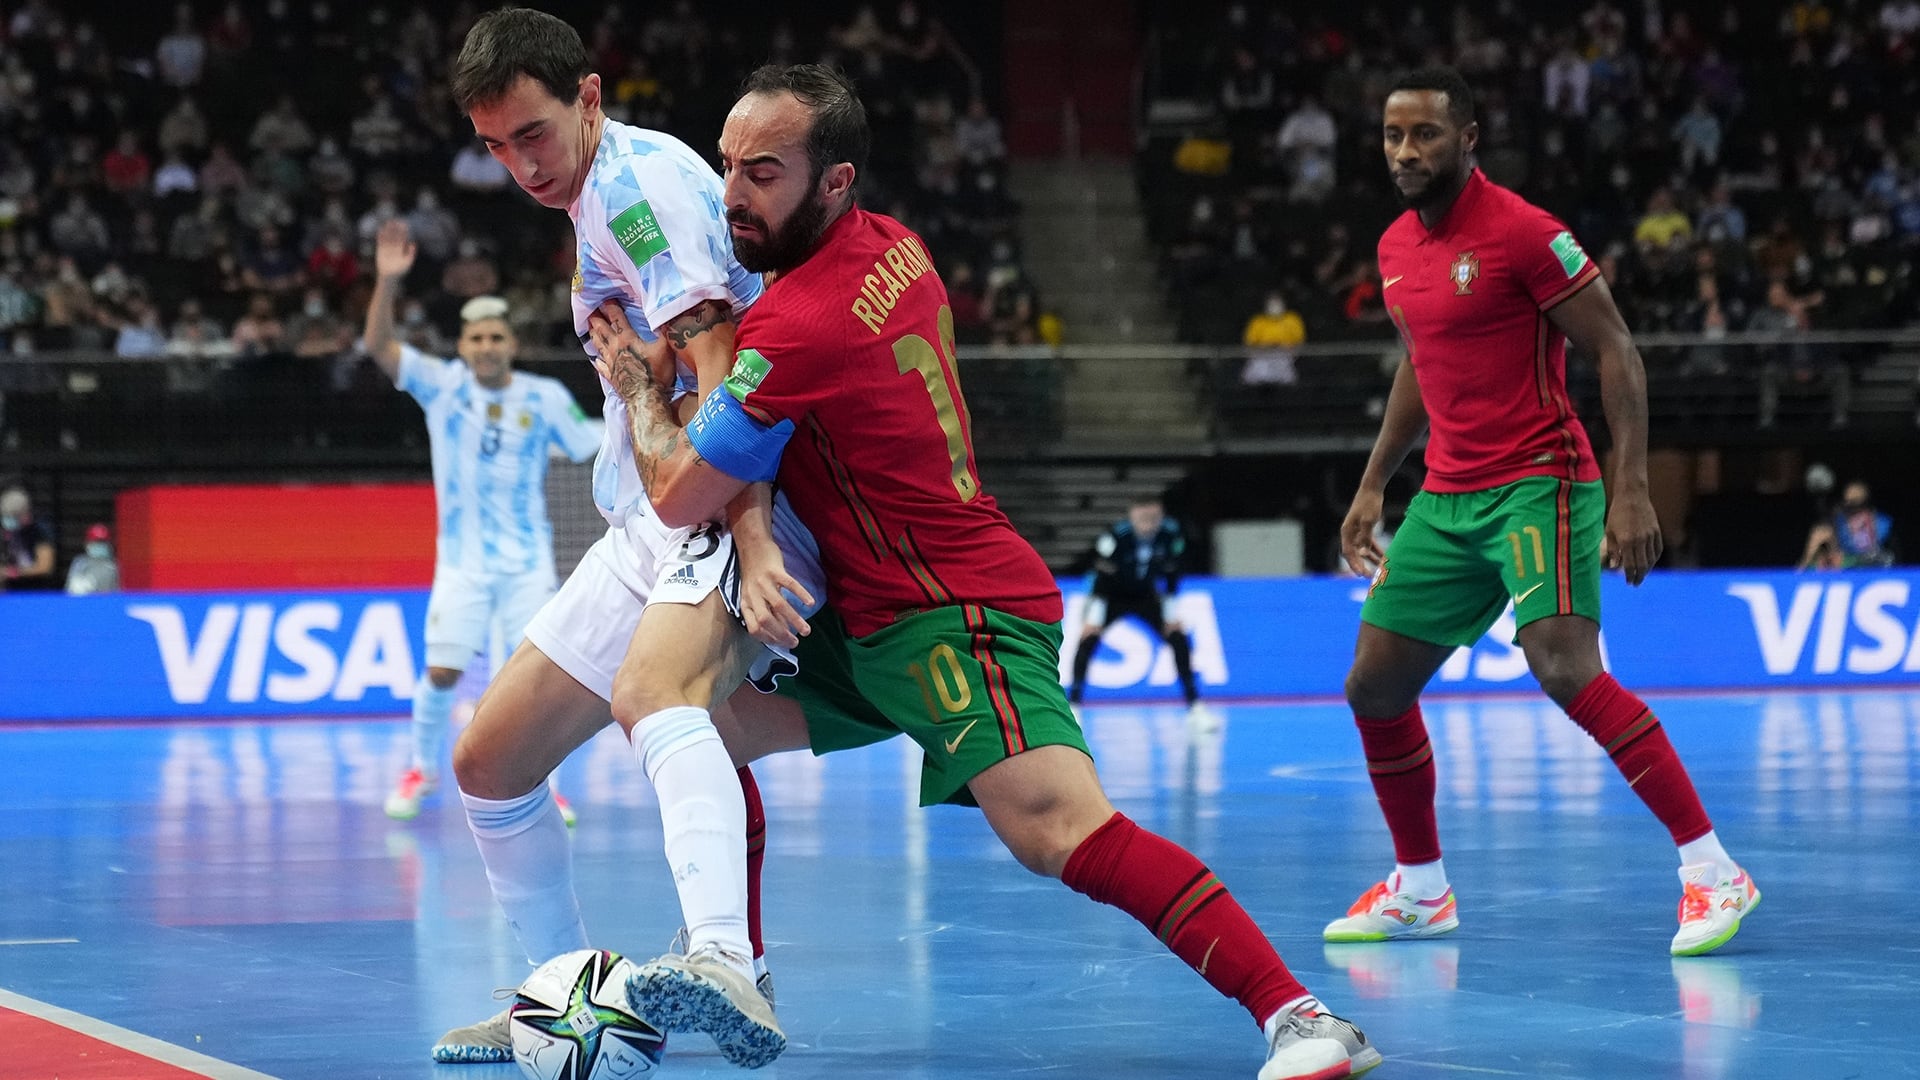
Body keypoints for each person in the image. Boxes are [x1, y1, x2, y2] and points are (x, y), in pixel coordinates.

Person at [589, 63, 1381, 1080]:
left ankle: (1301, 1016)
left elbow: (678, 493)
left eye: (763, 176)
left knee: (1057, 830)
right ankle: (738, 968)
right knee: (696, 722)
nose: (732, 196)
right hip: (865, 615)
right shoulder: (897, 248)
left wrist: (638, 391)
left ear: (834, 182)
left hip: (950, 613)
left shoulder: (800, 324)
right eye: (729, 168)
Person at [430, 9, 827, 1069]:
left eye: (533, 137)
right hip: (648, 515)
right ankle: (559, 1000)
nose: (519, 166)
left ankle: (726, 964)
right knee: (487, 761)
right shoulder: (597, 191)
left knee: (655, 698)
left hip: (722, 496)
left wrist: (747, 539)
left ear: (589, 99)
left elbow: (724, 372)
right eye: (496, 147)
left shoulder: (638, 195)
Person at [1328, 67, 1757, 960]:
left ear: (1469, 137)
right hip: (1447, 495)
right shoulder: (1395, 249)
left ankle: (1712, 870)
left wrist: (1629, 484)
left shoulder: (1526, 233)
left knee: (1564, 668)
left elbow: (1616, 349)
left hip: (1541, 480)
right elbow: (1422, 362)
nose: (1406, 152)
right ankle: (1420, 889)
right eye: (1393, 136)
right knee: (1373, 686)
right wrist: (1375, 482)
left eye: (1426, 135)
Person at [361, 219, 600, 825]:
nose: (488, 347)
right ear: (463, 346)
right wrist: (388, 283)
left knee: (537, 681)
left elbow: (591, 441)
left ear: (509, 343)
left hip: (527, 564)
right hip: (463, 564)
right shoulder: (441, 388)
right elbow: (379, 349)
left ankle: (544, 782)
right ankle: (421, 769)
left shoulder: (544, 397)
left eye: (497, 337)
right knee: (442, 671)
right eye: (477, 339)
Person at [1066, 496, 1208, 720]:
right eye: (1143, 518)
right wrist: (1093, 617)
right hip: (1112, 595)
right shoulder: (1116, 536)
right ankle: (1073, 705)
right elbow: (1100, 575)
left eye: (1153, 519)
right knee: (1088, 641)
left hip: (1146, 595)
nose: (1148, 524)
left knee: (1178, 638)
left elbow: (1172, 573)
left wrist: (1170, 613)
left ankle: (1195, 707)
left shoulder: (1170, 535)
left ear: (1161, 516)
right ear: (1132, 516)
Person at [1798, 480, 1895, 570]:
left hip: (1869, 561)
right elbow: (1834, 544)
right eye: (1846, 501)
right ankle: (1798, 575)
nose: (1848, 506)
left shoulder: (1882, 521)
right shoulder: (1839, 518)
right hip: (1844, 559)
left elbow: (1870, 550)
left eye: (1853, 503)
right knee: (1820, 533)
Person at [2, 487, 56, 591]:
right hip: (12, 591)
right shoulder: (8, 532)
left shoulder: (40, 531)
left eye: (13, 516)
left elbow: (44, 567)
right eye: (6, 516)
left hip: (37, 590)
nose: (9, 521)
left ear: (25, 515)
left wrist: (11, 572)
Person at [64, 522, 119, 595]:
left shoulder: (113, 565)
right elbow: (70, 590)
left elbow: (117, 593)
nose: (99, 545)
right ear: (87, 543)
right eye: (96, 542)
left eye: (102, 542)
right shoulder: (80, 562)